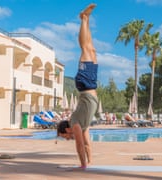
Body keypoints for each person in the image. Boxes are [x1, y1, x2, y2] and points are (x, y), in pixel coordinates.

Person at [57, 3, 98, 170]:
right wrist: (90, 162)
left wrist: (82, 166)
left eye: (65, 136)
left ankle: (84, 18)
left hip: (85, 84)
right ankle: (86, 20)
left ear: (67, 128)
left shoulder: (75, 124)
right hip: (90, 85)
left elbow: (79, 146)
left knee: (85, 48)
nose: (68, 139)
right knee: (91, 50)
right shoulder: (83, 125)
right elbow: (87, 145)